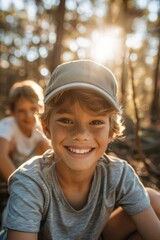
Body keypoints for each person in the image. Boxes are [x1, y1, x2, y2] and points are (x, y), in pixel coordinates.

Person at [0, 60, 160, 240]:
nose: (81, 135)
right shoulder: (30, 182)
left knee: (153, 199)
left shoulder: (119, 174)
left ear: (111, 131)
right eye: (66, 120)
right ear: (46, 127)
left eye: (96, 122)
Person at [0, 80, 51, 226]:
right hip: (12, 176)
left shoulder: (40, 129)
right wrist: (21, 188)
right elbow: (2, 157)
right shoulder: (7, 126)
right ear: (12, 111)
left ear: (40, 108)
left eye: (33, 109)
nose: (28, 115)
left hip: (32, 175)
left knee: (45, 144)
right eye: (21, 110)